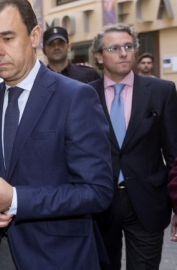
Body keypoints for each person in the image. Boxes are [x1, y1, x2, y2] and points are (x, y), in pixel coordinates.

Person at [0, 0, 113, 269]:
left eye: (7, 38)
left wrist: (15, 200)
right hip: (0, 249)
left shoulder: (75, 97)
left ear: (34, 36)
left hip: (60, 255)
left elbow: (96, 191)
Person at [90, 24, 177, 270]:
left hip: (148, 201)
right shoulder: (84, 96)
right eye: (114, 48)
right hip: (101, 203)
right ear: (99, 56)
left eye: (129, 46)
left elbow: (173, 152)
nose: (124, 53)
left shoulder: (162, 91)